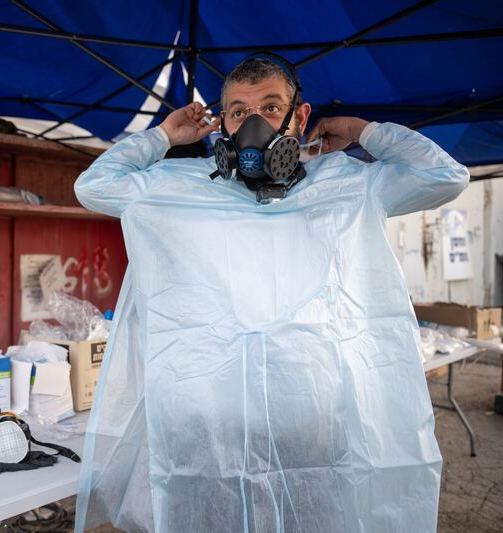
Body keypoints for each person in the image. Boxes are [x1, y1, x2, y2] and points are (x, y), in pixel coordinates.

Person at [73, 53, 469, 533]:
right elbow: (95, 186)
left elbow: (445, 176)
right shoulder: (182, 187)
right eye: (238, 112)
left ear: (300, 117)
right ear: (222, 124)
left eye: (271, 106)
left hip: (317, 432)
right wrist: (164, 136)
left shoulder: (346, 182)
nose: (253, 123)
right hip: (209, 434)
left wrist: (363, 130)